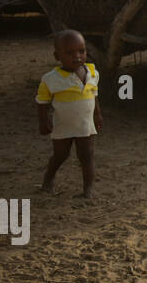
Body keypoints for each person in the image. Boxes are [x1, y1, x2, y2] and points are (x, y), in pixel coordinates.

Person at [36, 28, 101, 198]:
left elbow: (94, 94)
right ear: (57, 56)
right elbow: (42, 102)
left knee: (87, 156)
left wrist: (97, 115)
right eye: (70, 52)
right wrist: (44, 122)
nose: (77, 56)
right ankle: (48, 180)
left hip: (85, 125)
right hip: (63, 126)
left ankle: (88, 189)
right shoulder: (51, 79)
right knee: (60, 155)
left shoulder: (92, 72)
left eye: (81, 51)